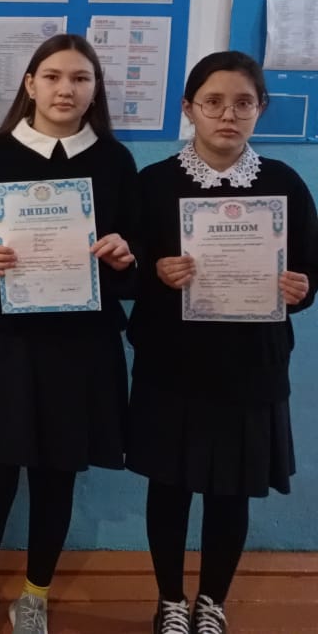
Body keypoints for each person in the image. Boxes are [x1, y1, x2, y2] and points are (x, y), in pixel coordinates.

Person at [0, 34, 139, 634]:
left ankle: (35, 594)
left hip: (81, 349)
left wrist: (124, 255)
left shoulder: (114, 160)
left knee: (58, 478)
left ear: (95, 91)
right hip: (5, 344)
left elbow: (136, 260)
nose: (65, 89)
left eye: (80, 78)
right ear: (29, 84)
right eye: (52, 76)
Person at [125, 51, 318, 634]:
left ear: (261, 108)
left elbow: (309, 273)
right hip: (171, 362)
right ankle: (170, 601)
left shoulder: (284, 184)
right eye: (213, 102)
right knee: (170, 486)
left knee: (232, 489)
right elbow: (126, 270)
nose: (228, 115)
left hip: (251, 364)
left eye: (243, 103)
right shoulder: (153, 184)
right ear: (189, 109)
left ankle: (212, 601)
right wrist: (156, 274)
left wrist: (301, 289)